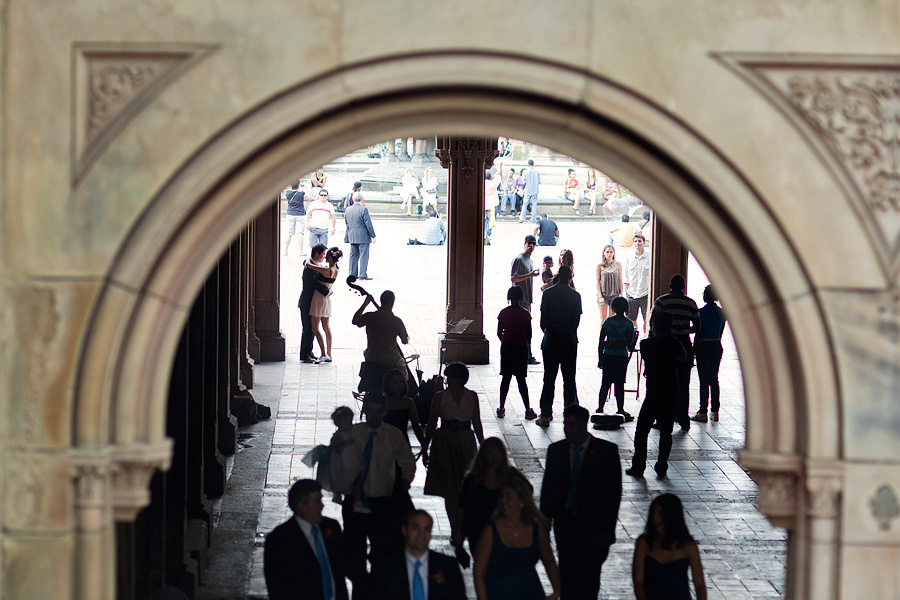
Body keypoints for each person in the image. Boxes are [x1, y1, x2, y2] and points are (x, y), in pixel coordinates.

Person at [337, 392, 417, 599]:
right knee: (355, 552)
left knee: (383, 551)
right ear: (363, 411)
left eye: (378, 411)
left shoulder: (393, 434)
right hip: (356, 502)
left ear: (385, 411)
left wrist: (405, 483)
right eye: (370, 411)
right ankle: (361, 591)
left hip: (383, 503)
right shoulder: (352, 434)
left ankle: (380, 589)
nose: (374, 416)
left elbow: (407, 462)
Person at [539, 404, 621, 600]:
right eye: (565, 425)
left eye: (572, 425)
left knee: (589, 579)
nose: (568, 429)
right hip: (565, 524)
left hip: (593, 528)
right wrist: (544, 523)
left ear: (584, 424)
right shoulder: (556, 451)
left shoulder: (606, 451)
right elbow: (548, 489)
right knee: (566, 576)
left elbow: (613, 495)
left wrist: (607, 531)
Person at [423, 362, 485, 549]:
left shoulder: (472, 396)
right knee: (450, 489)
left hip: (466, 440)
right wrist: (426, 447)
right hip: (444, 440)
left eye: (454, 377)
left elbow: (477, 422)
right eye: (449, 377)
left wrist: (483, 446)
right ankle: (454, 529)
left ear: (462, 378)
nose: (451, 380)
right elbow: (432, 423)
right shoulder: (439, 397)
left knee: (465, 489)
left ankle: (461, 524)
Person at [473, 476, 560, 600]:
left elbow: (550, 563)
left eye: (509, 497)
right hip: (498, 594)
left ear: (522, 501)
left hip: (531, 593)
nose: (503, 501)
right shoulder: (490, 531)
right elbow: (479, 573)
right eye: (502, 496)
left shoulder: (537, 531)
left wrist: (557, 591)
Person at [264, 479, 349, 600]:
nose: (322, 505)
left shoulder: (331, 527)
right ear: (301, 506)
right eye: (317, 501)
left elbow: (345, 564)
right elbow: (277, 588)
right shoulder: (280, 540)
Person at [626, 310, 686, 479]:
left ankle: (639, 466)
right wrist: (672, 337)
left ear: (652, 326)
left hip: (653, 394)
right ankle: (661, 465)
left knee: (641, 431)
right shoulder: (674, 343)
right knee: (666, 433)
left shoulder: (646, 345)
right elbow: (683, 357)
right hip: (671, 392)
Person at [371, 509, 467, 600]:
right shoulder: (385, 568)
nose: (422, 534)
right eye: (416, 528)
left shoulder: (448, 566)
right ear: (404, 530)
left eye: (427, 529)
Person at [632, 494, 707, 600]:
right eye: (653, 512)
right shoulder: (644, 543)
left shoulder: (688, 545)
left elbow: (699, 584)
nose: (654, 517)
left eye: (660, 513)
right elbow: (638, 583)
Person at [653, 275, 700, 430]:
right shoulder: (691, 303)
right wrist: (685, 330)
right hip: (685, 343)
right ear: (683, 287)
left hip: (665, 343)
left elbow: (654, 322)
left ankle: (662, 419)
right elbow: (697, 327)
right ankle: (683, 419)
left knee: (664, 382)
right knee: (683, 383)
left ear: (670, 285)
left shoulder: (661, 301)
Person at [536, 265, 581, 427]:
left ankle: (546, 415)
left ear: (557, 276)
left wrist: (554, 336)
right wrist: (566, 338)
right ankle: (571, 415)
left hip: (550, 343)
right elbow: (575, 322)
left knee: (549, 378)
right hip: (569, 343)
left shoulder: (548, 293)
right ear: (570, 276)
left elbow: (544, 320)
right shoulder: (575, 296)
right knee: (569, 379)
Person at [455, 438, 511, 566]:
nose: (494, 456)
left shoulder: (510, 476)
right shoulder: (472, 480)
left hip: (503, 532)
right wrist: (459, 533)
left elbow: (526, 490)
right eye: (490, 452)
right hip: (478, 532)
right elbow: (462, 507)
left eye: (498, 452)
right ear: (483, 455)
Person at [352, 290, 412, 394]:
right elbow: (404, 341)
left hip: (372, 358)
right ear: (392, 303)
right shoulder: (396, 321)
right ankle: (403, 393)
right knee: (403, 368)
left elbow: (355, 321)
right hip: (390, 361)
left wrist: (365, 303)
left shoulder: (370, 316)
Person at [496, 286, 536, 420]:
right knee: (521, 380)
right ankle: (527, 409)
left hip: (507, 347)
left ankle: (501, 407)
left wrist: (505, 340)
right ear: (521, 297)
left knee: (505, 378)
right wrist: (525, 344)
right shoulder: (525, 313)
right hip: (521, 348)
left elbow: (498, 332)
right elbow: (529, 334)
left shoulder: (503, 313)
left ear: (509, 297)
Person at [691, 285, 726, 423]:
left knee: (703, 380)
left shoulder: (700, 312)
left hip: (703, 346)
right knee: (714, 379)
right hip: (716, 345)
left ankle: (703, 411)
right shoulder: (722, 312)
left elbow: (698, 333)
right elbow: (721, 330)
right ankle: (715, 411)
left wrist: (694, 351)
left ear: (705, 296)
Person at [597, 296, 636, 419]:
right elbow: (629, 342)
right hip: (621, 357)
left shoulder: (608, 321)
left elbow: (601, 341)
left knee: (605, 383)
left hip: (608, 355)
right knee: (619, 384)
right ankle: (620, 409)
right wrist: (617, 344)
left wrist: (600, 357)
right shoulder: (629, 323)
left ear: (613, 307)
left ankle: (600, 407)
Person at [305, 247, 342, 362]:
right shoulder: (335, 269)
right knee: (326, 327)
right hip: (326, 299)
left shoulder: (326, 270)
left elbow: (309, 265)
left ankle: (323, 353)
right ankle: (329, 353)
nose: (325, 257)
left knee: (315, 328)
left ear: (330, 257)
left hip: (318, 299)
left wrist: (307, 260)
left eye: (327, 255)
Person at [510, 235, 540, 365]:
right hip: (520, 300)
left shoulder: (529, 260)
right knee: (521, 328)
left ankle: (527, 354)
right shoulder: (519, 259)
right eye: (529, 243)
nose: (531, 246)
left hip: (527, 298)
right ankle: (523, 355)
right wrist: (530, 275)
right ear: (524, 244)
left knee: (526, 328)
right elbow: (514, 278)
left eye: (534, 243)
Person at [299, 244, 331, 363]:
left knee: (312, 328)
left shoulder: (312, 265)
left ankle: (309, 351)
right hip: (307, 302)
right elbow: (313, 284)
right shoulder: (309, 269)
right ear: (317, 254)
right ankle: (304, 354)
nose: (323, 257)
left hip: (312, 302)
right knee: (308, 328)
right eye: (323, 254)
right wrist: (327, 291)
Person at [383, 368, 426, 449]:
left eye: (401, 382)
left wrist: (424, 446)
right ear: (388, 384)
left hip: (402, 443)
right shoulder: (381, 402)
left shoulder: (408, 402)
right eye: (395, 382)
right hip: (384, 444)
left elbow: (416, 427)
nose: (399, 386)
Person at [344, 192, 376, 280]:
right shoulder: (363, 210)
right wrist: (373, 235)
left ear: (353, 199)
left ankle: (352, 274)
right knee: (363, 256)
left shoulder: (348, 210)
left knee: (353, 256)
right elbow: (368, 224)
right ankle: (362, 274)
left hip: (352, 236)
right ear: (362, 199)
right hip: (363, 237)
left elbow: (347, 224)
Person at [624, 232, 651, 335]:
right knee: (631, 320)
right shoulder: (629, 257)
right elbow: (626, 276)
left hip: (645, 294)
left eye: (639, 241)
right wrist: (625, 292)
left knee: (646, 319)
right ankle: (632, 340)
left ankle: (645, 338)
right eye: (635, 241)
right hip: (631, 294)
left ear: (644, 242)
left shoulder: (649, 257)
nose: (637, 243)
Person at [595, 244, 623, 321]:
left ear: (614, 253)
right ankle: (602, 333)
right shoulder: (600, 265)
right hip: (604, 295)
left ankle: (611, 333)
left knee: (612, 318)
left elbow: (620, 280)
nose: (609, 254)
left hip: (614, 294)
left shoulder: (618, 264)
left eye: (611, 252)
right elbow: (597, 281)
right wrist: (600, 296)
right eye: (607, 252)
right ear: (604, 253)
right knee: (603, 318)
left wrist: (622, 294)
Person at [284, 181, 308, 256]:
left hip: (290, 214)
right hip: (300, 214)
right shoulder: (301, 193)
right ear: (299, 185)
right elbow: (309, 198)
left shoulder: (288, 193)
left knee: (289, 233)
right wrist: (306, 188)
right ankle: (301, 251)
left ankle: (285, 251)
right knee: (300, 233)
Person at [519, 159, 541, 223]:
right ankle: (533, 219)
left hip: (528, 190)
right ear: (533, 164)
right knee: (534, 204)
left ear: (528, 164)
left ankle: (522, 218)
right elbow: (539, 181)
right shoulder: (537, 171)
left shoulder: (525, 172)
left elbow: (524, 181)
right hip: (535, 190)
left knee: (525, 204)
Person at [484, 170, 498, 245]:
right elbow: (499, 177)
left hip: (483, 205)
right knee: (489, 221)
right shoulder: (492, 184)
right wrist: (500, 166)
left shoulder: (481, 183)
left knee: (483, 221)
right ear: (490, 178)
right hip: (491, 206)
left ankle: (483, 234)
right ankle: (488, 235)